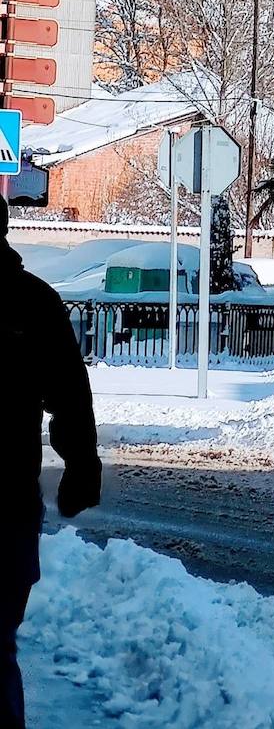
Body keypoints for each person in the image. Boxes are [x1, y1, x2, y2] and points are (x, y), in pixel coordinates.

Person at [0, 194, 100, 729]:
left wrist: (83, 464)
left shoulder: (32, 303)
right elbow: (69, 394)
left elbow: (67, 394)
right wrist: (82, 466)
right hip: (8, 507)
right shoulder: (33, 302)